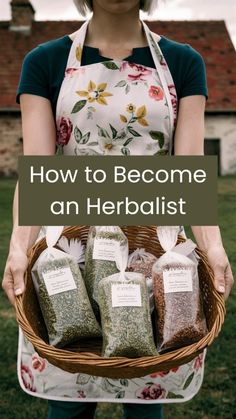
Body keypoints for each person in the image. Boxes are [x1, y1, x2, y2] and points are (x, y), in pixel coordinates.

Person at [2, 0, 234, 418]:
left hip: (155, 252)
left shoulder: (183, 62)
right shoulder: (46, 61)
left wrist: (213, 247)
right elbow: (38, 168)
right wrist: (19, 247)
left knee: (148, 387)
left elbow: (189, 169)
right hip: (67, 253)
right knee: (68, 397)